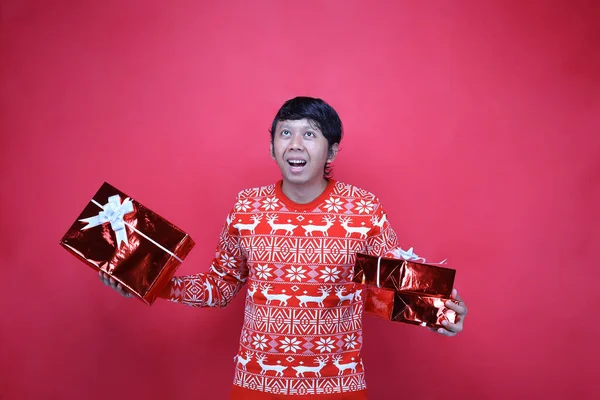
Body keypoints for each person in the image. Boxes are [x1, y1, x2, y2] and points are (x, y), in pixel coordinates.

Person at [100, 97, 468, 399]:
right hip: (255, 385)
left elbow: (380, 289)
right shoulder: (246, 207)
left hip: (338, 386)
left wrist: (435, 311)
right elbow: (220, 287)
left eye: (310, 134)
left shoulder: (365, 209)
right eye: (285, 133)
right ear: (272, 147)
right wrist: (150, 281)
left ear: (332, 151)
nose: (295, 143)